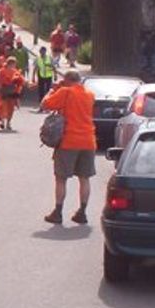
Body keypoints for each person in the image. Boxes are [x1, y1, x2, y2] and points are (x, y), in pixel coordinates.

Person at [41, 70, 97, 224]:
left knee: (61, 178)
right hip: (88, 140)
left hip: (69, 140)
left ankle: (58, 212)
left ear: (66, 80)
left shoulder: (66, 92)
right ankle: (82, 212)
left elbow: (45, 104)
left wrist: (53, 89)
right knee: (84, 178)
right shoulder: (90, 95)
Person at [0, 57, 25, 131]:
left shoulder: (13, 71)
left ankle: (5, 122)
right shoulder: (5, 71)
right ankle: (5, 122)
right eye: (14, 64)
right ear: (10, 64)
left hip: (8, 91)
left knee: (7, 107)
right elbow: (0, 81)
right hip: (8, 91)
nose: (14, 65)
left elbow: (20, 82)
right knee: (6, 107)